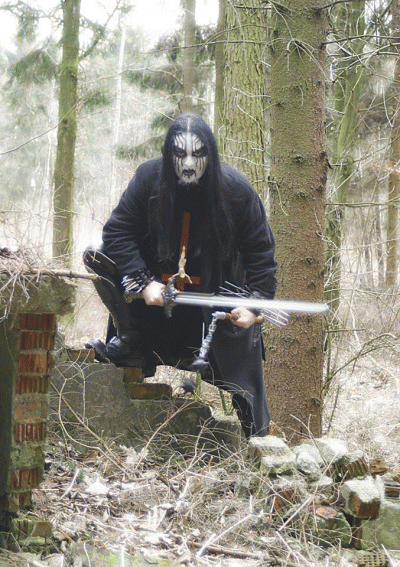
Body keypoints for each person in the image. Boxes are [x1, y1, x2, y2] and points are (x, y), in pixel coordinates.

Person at [83, 112, 278, 438]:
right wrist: (143, 281)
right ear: (167, 154)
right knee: (97, 252)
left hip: (218, 304)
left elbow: (262, 256)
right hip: (156, 303)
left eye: (197, 154)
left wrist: (254, 304)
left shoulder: (238, 191)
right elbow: (117, 232)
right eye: (180, 154)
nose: (188, 164)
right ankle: (131, 341)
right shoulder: (148, 178)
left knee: (246, 394)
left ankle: (257, 444)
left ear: (210, 155)